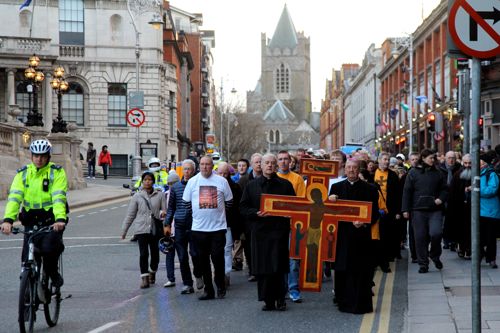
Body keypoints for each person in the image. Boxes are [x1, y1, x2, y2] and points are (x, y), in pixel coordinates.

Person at [1, 139, 68, 288]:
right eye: (36, 156)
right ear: (31, 156)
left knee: (49, 249)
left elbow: (58, 198)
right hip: (31, 220)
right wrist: (8, 220)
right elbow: (14, 198)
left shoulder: (56, 172)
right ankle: (27, 295)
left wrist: (60, 219)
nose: (39, 159)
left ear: (48, 157)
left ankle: (52, 272)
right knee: (27, 259)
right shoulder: (23, 174)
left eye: (43, 156)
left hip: (51, 220)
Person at [240, 153, 295, 311]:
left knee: (279, 266)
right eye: (267, 163)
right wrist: (256, 213)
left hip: (279, 231)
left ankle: (280, 299)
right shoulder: (251, 186)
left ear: (276, 165)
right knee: (263, 267)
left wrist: (287, 212)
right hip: (260, 232)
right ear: (261, 166)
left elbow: (293, 206)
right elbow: (243, 207)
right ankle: (267, 300)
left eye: (272, 163)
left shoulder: (285, 185)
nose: (270, 165)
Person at [328, 158, 379, 314]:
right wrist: (330, 201)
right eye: (348, 167)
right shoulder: (336, 188)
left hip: (361, 236)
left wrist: (363, 223)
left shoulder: (370, 189)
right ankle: (343, 302)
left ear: (359, 170)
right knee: (343, 270)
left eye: (354, 168)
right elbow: (329, 213)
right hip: (342, 237)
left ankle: (360, 305)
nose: (351, 170)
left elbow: (375, 213)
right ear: (344, 169)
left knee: (361, 271)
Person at [182, 156, 233, 300]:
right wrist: (200, 216)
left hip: (218, 229)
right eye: (202, 164)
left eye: (208, 164)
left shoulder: (221, 181)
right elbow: (186, 204)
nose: (205, 167)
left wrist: (217, 215)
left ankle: (220, 286)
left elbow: (229, 202)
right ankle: (208, 290)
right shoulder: (192, 182)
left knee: (218, 259)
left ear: (212, 166)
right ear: (199, 166)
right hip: (199, 229)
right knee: (203, 260)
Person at [402, 149, 448, 274]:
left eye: (433, 158)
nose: (432, 160)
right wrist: (405, 209)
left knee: (436, 233)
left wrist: (440, 199)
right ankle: (423, 264)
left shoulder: (438, 172)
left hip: (435, 209)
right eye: (430, 158)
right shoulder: (413, 172)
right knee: (420, 237)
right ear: (423, 158)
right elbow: (407, 192)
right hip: (418, 210)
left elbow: (445, 189)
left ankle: (434, 255)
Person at [121, 172, 166, 288]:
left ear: (153, 182)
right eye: (145, 180)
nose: (147, 182)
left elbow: (165, 212)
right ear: (142, 181)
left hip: (155, 229)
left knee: (155, 254)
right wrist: (124, 231)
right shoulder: (137, 196)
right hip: (141, 229)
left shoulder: (160, 195)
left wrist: (165, 221)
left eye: (150, 180)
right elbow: (130, 215)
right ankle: (144, 278)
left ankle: (152, 271)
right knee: (143, 254)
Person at [164, 160, 202, 293]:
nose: (186, 172)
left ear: (194, 171)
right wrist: (167, 224)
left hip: (195, 225)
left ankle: (198, 274)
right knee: (182, 256)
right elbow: (171, 208)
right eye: (185, 169)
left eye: (189, 169)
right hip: (180, 225)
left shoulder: (198, 186)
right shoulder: (176, 187)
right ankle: (187, 284)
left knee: (195, 253)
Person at [276, 150, 306, 303]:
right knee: (279, 258)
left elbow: (301, 202)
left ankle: (294, 289)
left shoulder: (297, 179)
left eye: (286, 159)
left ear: (290, 162)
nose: (283, 162)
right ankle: (281, 288)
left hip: (293, 224)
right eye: (280, 159)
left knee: (293, 259)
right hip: (276, 226)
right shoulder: (273, 178)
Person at [374, 152, 402, 272]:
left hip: (388, 211)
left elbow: (397, 195)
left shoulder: (393, 175)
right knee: (376, 237)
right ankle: (376, 260)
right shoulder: (372, 174)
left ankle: (384, 262)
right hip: (375, 210)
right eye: (384, 159)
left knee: (386, 237)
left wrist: (397, 211)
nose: (386, 162)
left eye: (388, 160)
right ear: (379, 160)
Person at [217, 162, 243, 288]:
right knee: (217, 250)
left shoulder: (235, 187)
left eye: (225, 173)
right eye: (220, 173)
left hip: (228, 223)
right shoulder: (212, 184)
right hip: (213, 223)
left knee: (227, 249)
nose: (222, 175)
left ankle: (226, 274)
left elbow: (237, 208)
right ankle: (219, 272)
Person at [238, 153, 263, 282]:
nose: (259, 164)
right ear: (251, 165)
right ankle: (252, 270)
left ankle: (262, 269)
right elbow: (240, 202)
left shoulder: (266, 179)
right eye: (256, 162)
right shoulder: (244, 180)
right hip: (248, 220)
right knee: (249, 246)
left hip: (263, 219)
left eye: (260, 162)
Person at [479, 151, 500, 268]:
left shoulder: (491, 174)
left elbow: (492, 190)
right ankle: (481, 254)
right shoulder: (477, 173)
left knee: (491, 237)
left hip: (491, 211)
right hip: (479, 210)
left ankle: (491, 259)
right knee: (480, 236)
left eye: (481, 162)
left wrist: (476, 191)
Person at [449, 154, 472, 259]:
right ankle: (462, 248)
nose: (467, 165)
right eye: (465, 163)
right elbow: (453, 192)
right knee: (461, 230)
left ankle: (468, 249)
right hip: (460, 208)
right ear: (462, 162)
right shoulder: (457, 175)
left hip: (472, 208)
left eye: (470, 163)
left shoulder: (476, 174)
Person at [439, 151, 462, 251]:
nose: (451, 160)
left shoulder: (459, 168)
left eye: (453, 158)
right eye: (449, 158)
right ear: (445, 158)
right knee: (444, 221)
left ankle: (453, 241)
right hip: (443, 198)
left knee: (454, 219)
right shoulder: (439, 169)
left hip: (455, 198)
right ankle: (446, 241)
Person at [163, 171, 180, 290]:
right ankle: (170, 278)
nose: (172, 185)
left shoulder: (181, 193)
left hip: (180, 229)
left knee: (183, 255)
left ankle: (187, 279)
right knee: (169, 255)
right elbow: (161, 210)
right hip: (168, 230)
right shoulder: (164, 195)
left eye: (174, 183)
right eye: (170, 183)